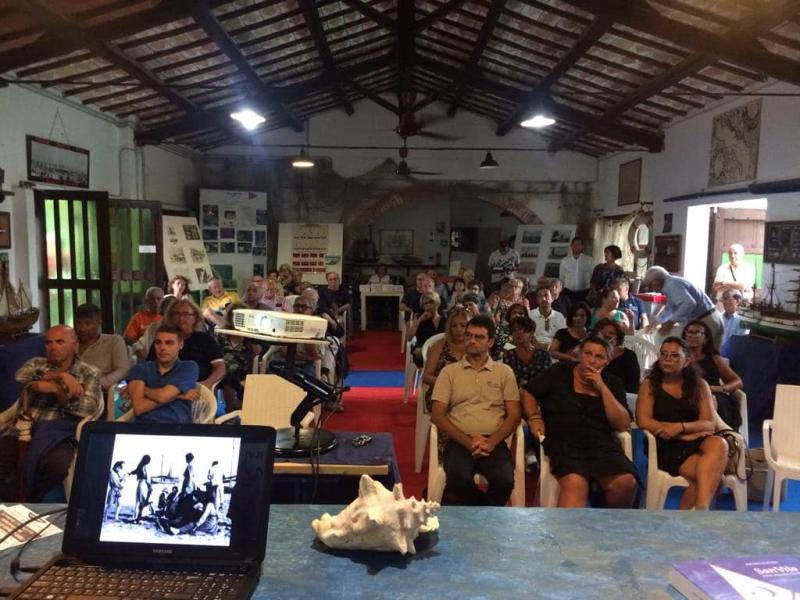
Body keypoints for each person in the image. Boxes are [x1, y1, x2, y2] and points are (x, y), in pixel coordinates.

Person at [521, 336, 637, 508]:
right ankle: (570, 534)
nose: (592, 360)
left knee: (626, 482)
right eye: (588, 354)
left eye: (599, 357)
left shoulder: (613, 382)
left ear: (606, 361)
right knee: (576, 483)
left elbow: (622, 424)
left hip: (601, 444)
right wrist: (534, 417)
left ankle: (611, 529)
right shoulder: (560, 371)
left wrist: (603, 388)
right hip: (563, 441)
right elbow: (528, 392)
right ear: (579, 355)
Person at [0, 325, 102, 501]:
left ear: (74, 345)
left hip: (59, 431)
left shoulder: (89, 372)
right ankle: (11, 503)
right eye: (49, 342)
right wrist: (60, 377)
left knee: (57, 465)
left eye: (60, 342)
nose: (53, 346)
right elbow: (21, 376)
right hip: (24, 427)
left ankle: (31, 499)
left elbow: (87, 408)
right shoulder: (36, 363)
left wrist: (57, 391)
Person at [430, 315, 520, 506]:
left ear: (491, 342)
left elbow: (514, 414)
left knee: (505, 480)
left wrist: (490, 442)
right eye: (469, 336)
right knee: (458, 478)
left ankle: (480, 516)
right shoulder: (449, 372)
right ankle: (484, 514)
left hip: (493, 442)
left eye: (479, 337)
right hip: (459, 441)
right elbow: (437, 414)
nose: (472, 341)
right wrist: (469, 441)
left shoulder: (504, 372)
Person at [635, 337, 728, 510]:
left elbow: (709, 424)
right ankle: (696, 513)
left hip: (695, 438)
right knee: (714, 478)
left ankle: (699, 510)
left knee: (719, 443)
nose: (667, 359)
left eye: (674, 356)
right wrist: (679, 433)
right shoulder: (650, 384)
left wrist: (680, 428)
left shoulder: (699, 385)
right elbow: (643, 420)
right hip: (665, 443)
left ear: (687, 361)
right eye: (663, 354)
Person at [149, 298, 225, 391]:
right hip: (165, 389)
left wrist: (208, 383)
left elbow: (220, 366)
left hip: (199, 389)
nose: (181, 318)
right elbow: (149, 367)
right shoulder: (162, 340)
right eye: (176, 314)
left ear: (195, 317)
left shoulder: (205, 339)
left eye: (186, 314)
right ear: (171, 317)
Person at [129, 324, 200, 423]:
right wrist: (178, 395)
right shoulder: (140, 368)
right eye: (158, 342)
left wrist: (143, 389)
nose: (162, 348)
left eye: (169, 343)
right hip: (144, 430)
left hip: (178, 430)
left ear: (181, 345)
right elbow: (139, 408)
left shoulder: (188, 367)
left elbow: (163, 397)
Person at [681, 320, 743, 431]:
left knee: (712, 401)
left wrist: (719, 388)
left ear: (705, 339)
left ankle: (718, 433)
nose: (692, 335)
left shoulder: (714, 358)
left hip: (714, 393)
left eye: (698, 333)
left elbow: (737, 381)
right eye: (689, 332)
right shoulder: (678, 357)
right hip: (686, 394)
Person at [643, 266, 724, 349]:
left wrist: (671, 322)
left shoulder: (672, 285)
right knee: (712, 355)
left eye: (650, 284)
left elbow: (689, 303)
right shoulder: (670, 284)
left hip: (706, 320)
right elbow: (671, 308)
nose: (650, 288)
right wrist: (655, 322)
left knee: (705, 356)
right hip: (711, 318)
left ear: (657, 280)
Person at [216, 303, 261, 412]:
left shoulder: (252, 333)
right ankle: (214, 410)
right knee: (219, 372)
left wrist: (248, 334)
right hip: (224, 364)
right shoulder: (223, 332)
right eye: (233, 315)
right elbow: (215, 351)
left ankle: (230, 410)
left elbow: (258, 353)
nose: (235, 318)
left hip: (245, 365)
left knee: (230, 374)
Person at [75, 303, 130, 391]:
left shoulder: (113, 341)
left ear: (99, 323)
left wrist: (98, 384)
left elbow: (123, 370)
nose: (82, 328)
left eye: (88, 323)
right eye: (78, 323)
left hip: (103, 392)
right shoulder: (71, 342)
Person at [421, 308, 469, 410]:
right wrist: (448, 384)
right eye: (454, 325)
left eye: (463, 325)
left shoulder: (475, 347)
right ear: (449, 328)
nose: (458, 329)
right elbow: (426, 376)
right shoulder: (439, 346)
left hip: (469, 393)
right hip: (441, 392)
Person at [592, 318, 640, 394]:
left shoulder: (629, 355)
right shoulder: (592, 355)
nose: (607, 336)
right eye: (603, 333)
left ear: (617, 337)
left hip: (624, 396)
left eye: (611, 333)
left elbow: (633, 387)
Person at [501, 316, 552, 389]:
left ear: (531, 333)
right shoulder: (509, 355)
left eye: (521, 329)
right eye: (514, 330)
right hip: (516, 393)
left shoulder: (543, 355)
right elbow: (511, 379)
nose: (517, 332)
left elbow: (547, 378)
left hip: (541, 393)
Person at [408, 292, 445, 367]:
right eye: (425, 303)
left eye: (431, 302)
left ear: (437, 303)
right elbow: (409, 338)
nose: (429, 305)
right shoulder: (419, 317)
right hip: (422, 350)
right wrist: (420, 320)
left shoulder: (445, 318)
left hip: (441, 350)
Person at [528, 286, 567, 351]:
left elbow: (563, 337)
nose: (543, 299)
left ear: (552, 298)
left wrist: (551, 347)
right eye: (540, 296)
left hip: (554, 349)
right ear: (537, 300)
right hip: (533, 349)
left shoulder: (559, 316)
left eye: (546, 295)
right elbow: (528, 337)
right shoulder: (530, 315)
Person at [559, 237, 593, 302]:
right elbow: (561, 278)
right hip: (568, 292)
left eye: (579, 244)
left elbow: (592, 276)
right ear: (571, 246)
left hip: (584, 292)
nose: (577, 246)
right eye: (575, 244)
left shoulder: (589, 260)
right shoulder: (564, 260)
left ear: (582, 246)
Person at [720, 289, 747, 355]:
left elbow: (739, 344)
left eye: (726, 298)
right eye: (723, 299)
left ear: (737, 301)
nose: (724, 301)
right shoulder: (718, 317)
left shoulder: (742, 321)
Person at [131, 454, 152, 523]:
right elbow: (145, 477)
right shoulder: (144, 467)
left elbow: (135, 471)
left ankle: (136, 516)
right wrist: (149, 485)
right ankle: (138, 517)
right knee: (142, 500)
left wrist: (131, 473)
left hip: (139, 483)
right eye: (149, 461)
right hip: (143, 484)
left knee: (138, 500)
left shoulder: (140, 465)